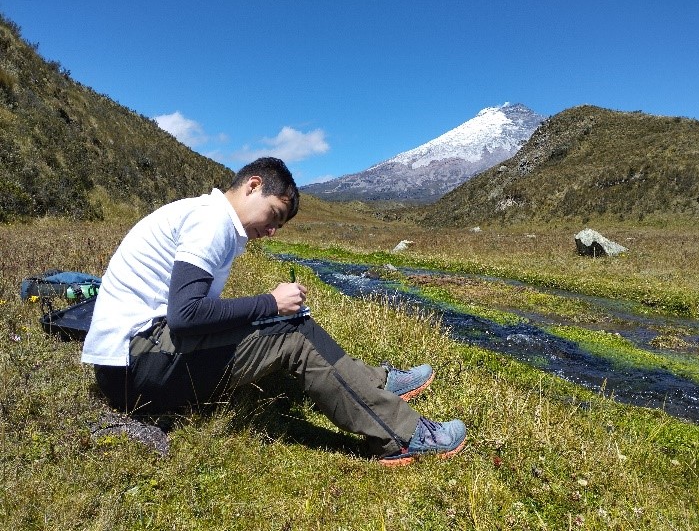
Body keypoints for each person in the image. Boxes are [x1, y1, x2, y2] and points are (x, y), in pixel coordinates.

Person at [81, 157, 465, 466]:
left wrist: (273, 309)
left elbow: (189, 317)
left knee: (288, 321)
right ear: (253, 185)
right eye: (274, 215)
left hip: (136, 363)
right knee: (292, 334)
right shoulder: (211, 221)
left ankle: (370, 384)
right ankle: (403, 436)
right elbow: (186, 315)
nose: (272, 231)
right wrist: (269, 302)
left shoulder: (209, 217)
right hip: (136, 370)